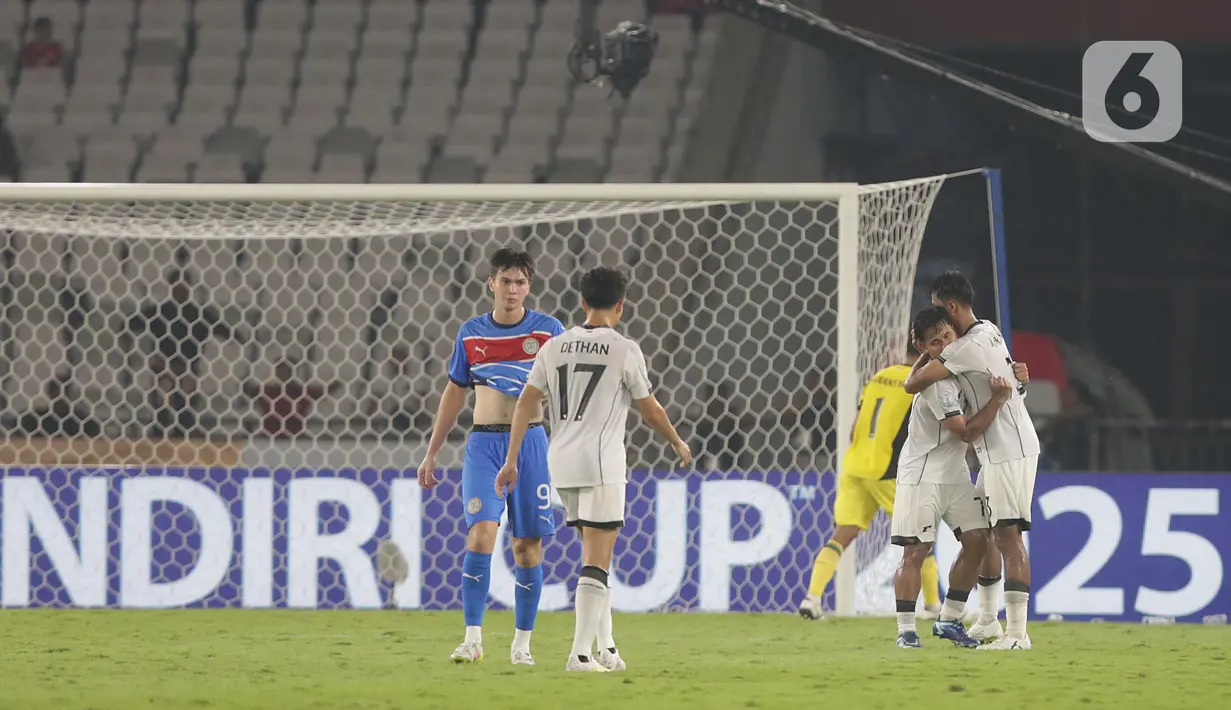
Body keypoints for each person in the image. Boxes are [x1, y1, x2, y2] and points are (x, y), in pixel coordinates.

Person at [496, 266, 691, 672]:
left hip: (561, 461)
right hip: (601, 464)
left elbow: (526, 403)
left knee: (594, 555)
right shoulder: (624, 349)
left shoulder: (553, 347)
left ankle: (607, 647)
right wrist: (676, 440)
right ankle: (580, 654)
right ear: (621, 305)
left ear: (582, 302)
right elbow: (650, 410)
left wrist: (512, 458)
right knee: (597, 561)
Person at [416, 247, 565, 666]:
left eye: (520, 282)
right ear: (491, 284)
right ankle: (472, 640)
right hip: (484, 443)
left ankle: (522, 645)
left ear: (529, 287)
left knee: (527, 547)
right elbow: (454, 393)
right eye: (505, 281)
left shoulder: (549, 331)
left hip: (531, 443)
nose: (512, 289)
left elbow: (567, 388)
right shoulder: (471, 334)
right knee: (481, 534)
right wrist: (431, 452)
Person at [904, 270, 1040, 651]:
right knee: (988, 533)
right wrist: (1020, 380)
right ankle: (987, 620)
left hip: (1008, 449)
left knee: (1009, 537)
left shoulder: (963, 348)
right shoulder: (990, 330)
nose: (938, 318)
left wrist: (924, 349)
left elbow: (912, 384)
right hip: (998, 449)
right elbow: (1013, 385)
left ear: (950, 306)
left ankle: (1017, 634)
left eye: (938, 310)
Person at [891, 307, 1012, 649]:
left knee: (979, 540)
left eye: (948, 336)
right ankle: (906, 631)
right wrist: (999, 400)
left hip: (956, 474)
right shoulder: (937, 384)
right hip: (923, 475)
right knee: (916, 552)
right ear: (922, 346)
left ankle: (949, 618)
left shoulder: (958, 370)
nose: (945, 344)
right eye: (935, 342)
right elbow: (967, 433)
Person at [798, 339, 944, 620]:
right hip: (887, 470)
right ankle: (933, 606)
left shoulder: (879, 377)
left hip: (854, 465)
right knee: (919, 537)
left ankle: (812, 599)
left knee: (842, 535)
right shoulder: (921, 383)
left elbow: (854, 427)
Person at [128, 270, 241, 438]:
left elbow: (224, 330)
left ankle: (182, 437)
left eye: (184, 285)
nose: (180, 289)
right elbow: (131, 324)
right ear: (171, 287)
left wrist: (237, 337)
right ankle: (158, 437)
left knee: (185, 408)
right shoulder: (160, 311)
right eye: (177, 285)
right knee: (162, 405)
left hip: (187, 367)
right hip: (164, 366)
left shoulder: (198, 313)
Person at [244, 361, 341, 438]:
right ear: (276, 373)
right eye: (281, 371)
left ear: (294, 372)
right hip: (269, 437)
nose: (284, 374)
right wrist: (244, 380)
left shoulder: (302, 393)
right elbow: (247, 391)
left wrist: (340, 378)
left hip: (295, 438)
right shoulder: (267, 392)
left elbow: (322, 393)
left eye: (288, 371)